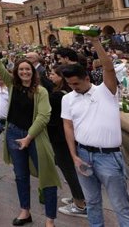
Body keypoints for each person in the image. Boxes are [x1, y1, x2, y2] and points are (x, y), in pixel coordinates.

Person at [61, 36, 129, 226]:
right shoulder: (68, 99)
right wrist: (74, 156)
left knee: (121, 205)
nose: (73, 88)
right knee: (92, 203)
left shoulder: (106, 91)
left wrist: (95, 42)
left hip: (109, 158)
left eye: (76, 84)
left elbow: (108, 68)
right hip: (83, 155)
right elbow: (68, 126)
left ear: (87, 78)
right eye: (69, 84)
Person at [0, 38, 61, 227]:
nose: (25, 72)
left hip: (33, 137)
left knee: (47, 176)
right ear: (16, 73)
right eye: (21, 70)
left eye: (28, 69)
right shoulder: (13, 86)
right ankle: (25, 211)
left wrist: (28, 138)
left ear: (33, 72)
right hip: (13, 134)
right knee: (20, 175)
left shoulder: (41, 91)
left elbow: (43, 117)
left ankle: (50, 219)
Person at [46, 65, 87, 218]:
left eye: (52, 74)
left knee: (68, 170)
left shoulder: (58, 96)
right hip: (67, 137)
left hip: (60, 138)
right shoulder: (68, 93)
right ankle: (78, 196)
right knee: (71, 170)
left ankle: (80, 204)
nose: (50, 76)